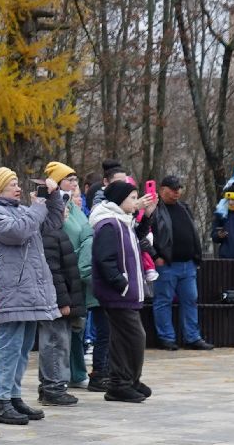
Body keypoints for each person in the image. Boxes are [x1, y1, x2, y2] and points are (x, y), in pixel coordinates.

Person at [0, 168, 63, 424]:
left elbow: (53, 223)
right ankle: (1, 401)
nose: (18, 187)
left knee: (23, 347)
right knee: (9, 346)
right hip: (13, 288)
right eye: (12, 183)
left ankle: (13, 396)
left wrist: (53, 197)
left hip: (30, 289)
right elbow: (18, 232)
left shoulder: (21, 210)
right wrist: (38, 206)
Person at [90, 180, 150, 403]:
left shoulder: (123, 221)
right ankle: (120, 383)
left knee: (124, 338)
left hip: (126, 293)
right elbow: (104, 259)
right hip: (118, 293)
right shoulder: (109, 224)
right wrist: (121, 283)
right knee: (133, 337)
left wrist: (148, 215)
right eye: (132, 198)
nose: (136, 202)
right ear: (119, 200)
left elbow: (139, 235)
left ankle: (128, 380)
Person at [37, 163, 85, 406]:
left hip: (63, 296)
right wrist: (64, 301)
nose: (65, 210)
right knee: (55, 342)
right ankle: (53, 387)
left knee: (60, 340)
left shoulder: (57, 232)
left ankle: (51, 386)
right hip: (57, 298)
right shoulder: (50, 234)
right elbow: (54, 271)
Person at [151, 175, 212, 351]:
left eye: (178, 188)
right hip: (167, 264)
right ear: (162, 190)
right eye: (173, 188)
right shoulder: (155, 210)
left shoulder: (184, 208)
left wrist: (195, 256)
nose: (177, 191)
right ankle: (166, 338)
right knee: (163, 301)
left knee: (190, 300)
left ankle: (192, 337)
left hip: (187, 264)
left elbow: (192, 232)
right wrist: (156, 257)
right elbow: (147, 235)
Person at [52, 163, 93, 389]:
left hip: (78, 272)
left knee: (77, 327)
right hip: (65, 271)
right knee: (64, 329)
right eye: (69, 179)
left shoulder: (75, 209)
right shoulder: (58, 206)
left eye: (76, 179)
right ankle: (62, 375)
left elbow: (85, 231)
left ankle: (76, 372)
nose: (74, 183)